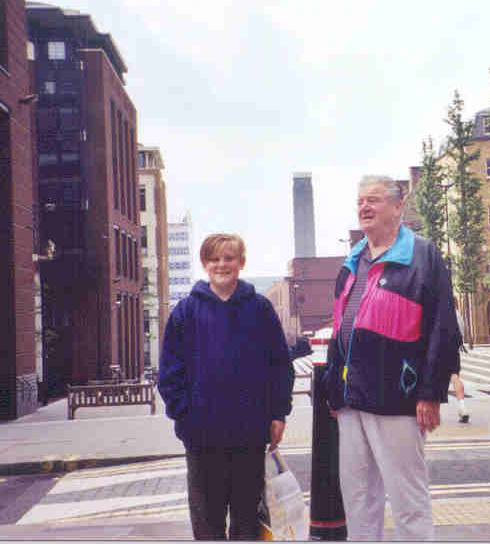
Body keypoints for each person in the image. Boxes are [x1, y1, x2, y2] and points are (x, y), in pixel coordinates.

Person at [324, 175, 461, 541]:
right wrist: (332, 388)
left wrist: (431, 392)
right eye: (360, 201)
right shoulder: (352, 260)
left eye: (374, 200)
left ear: (398, 208)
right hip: (352, 400)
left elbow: (443, 327)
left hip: (399, 397)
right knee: (358, 500)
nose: (364, 208)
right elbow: (340, 330)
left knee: (408, 499)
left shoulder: (423, 255)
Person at [158, 233, 292, 540]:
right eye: (215, 259)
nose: (222, 265)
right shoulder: (185, 312)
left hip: (249, 434)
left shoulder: (260, 309)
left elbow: (279, 366)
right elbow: (169, 372)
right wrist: (185, 416)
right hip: (202, 437)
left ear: (241, 263)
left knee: (247, 519)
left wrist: (278, 414)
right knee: (207, 521)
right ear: (205, 264)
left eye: (229, 258)